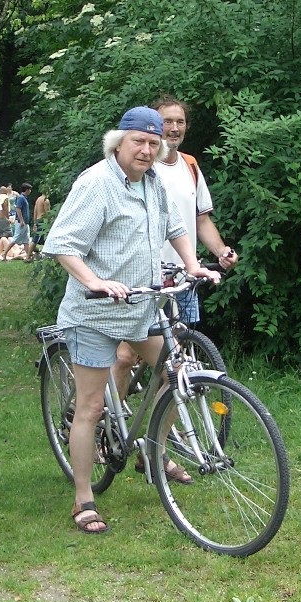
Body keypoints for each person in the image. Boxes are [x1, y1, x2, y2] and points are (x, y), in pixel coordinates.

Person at [42, 106, 220, 535]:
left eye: (153, 143)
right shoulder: (96, 183)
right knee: (91, 406)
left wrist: (193, 265)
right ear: (118, 142)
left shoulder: (154, 182)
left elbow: (176, 228)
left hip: (141, 307)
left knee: (176, 372)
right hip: (94, 312)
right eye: (138, 141)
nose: (146, 149)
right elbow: (62, 244)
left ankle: (151, 452)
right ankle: (83, 498)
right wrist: (95, 281)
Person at [112, 96, 239, 391]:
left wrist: (221, 251)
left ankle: (166, 417)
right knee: (125, 356)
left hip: (182, 277)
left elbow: (201, 219)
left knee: (173, 362)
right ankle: (107, 415)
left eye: (180, 122)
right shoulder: (142, 165)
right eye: (166, 121)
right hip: (144, 277)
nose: (173, 127)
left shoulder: (190, 165)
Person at [13, 182, 35, 261]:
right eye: (29, 189)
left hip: (26, 222)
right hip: (21, 222)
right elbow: (18, 209)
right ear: (26, 190)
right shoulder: (21, 198)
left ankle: (28, 257)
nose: (30, 191)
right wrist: (21, 220)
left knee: (26, 241)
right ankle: (4, 254)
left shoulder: (24, 198)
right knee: (15, 239)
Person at [0, 184, 13, 260]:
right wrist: (8, 218)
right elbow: (5, 209)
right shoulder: (5, 198)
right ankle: (6, 250)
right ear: (5, 191)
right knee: (7, 233)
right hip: (2, 218)